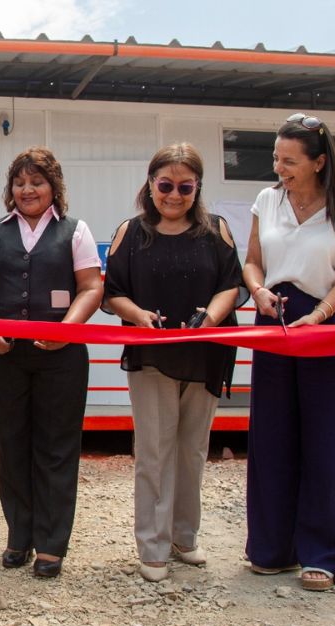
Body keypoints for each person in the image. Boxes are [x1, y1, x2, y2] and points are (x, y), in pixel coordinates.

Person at [243, 113, 335, 591]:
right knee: (272, 434)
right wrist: (257, 292)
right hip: (272, 317)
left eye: (290, 161)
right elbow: (253, 261)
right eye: (276, 158)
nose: (280, 168)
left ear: (320, 162)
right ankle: (271, 547)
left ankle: (325, 553)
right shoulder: (266, 199)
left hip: (324, 320)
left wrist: (317, 317)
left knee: (327, 437)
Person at [103, 143, 244, 582]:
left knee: (192, 449)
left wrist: (212, 318)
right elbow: (112, 293)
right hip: (152, 356)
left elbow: (232, 283)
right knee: (154, 451)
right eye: (165, 185)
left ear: (197, 188)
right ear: (151, 184)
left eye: (185, 186)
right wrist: (139, 316)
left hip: (206, 353)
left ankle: (185, 536)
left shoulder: (215, 230)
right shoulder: (132, 231)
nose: (174, 195)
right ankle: (153, 544)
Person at [0, 146, 103, 578]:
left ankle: (51, 544)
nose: (28, 189)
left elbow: (91, 288)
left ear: (53, 187)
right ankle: (18, 537)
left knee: (57, 448)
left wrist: (65, 330)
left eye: (37, 182)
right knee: (13, 445)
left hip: (61, 357)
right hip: (5, 356)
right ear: (11, 189)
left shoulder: (75, 231)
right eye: (20, 182)